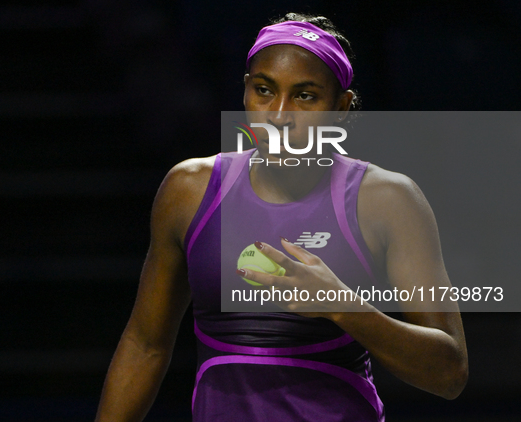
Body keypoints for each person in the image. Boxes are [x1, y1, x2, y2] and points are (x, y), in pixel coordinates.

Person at [95, 13, 468, 422]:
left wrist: (343, 306)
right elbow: (145, 346)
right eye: (264, 90)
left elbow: (449, 373)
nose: (279, 115)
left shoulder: (388, 200)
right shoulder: (188, 190)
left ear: (340, 108)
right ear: (244, 92)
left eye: (305, 96)